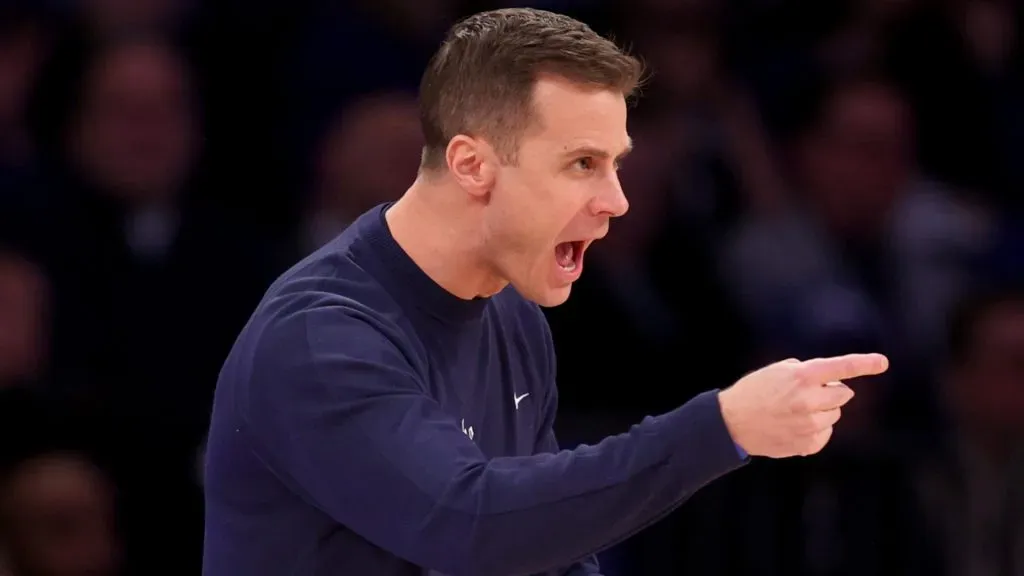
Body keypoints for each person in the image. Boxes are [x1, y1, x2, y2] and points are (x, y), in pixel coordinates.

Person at [201, 8, 889, 576]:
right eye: (582, 164)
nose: (617, 201)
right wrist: (722, 427)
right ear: (472, 164)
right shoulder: (321, 339)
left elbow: (544, 552)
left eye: (615, 165)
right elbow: (470, 527)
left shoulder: (511, 312)